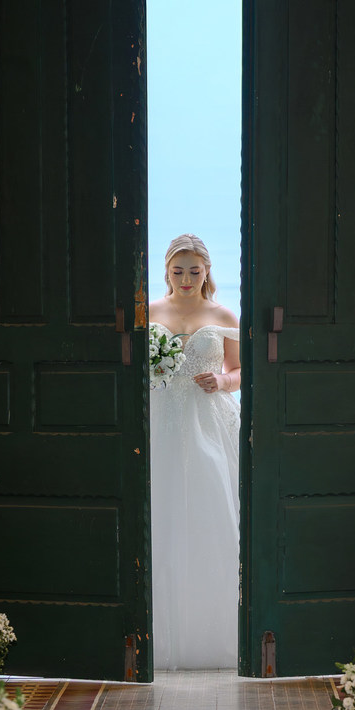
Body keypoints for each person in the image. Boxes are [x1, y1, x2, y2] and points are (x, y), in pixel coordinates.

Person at [149, 233, 242, 670]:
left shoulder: (221, 314)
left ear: (206, 272)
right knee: (160, 513)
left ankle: (213, 632)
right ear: (166, 271)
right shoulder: (147, 313)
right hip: (159, 419)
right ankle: (157, 635)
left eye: (194, 270)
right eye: (177, 270)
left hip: (206, 421)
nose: (186, 279)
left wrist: (221, 382)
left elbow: (240, 370)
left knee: (210, 511)